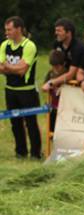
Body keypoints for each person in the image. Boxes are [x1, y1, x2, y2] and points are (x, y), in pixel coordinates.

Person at [0, 16, 42, 159]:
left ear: (19, 29)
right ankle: (20, 152)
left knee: (31, 123)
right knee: (14, 122)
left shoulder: (29, 46)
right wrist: (13, 68)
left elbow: (23, 69)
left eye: (9, 29)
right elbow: (1, 67)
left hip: (27, 90)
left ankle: (36, 153)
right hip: (10, 90)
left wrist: (8, 67)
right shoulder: (4, 45)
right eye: (6, 30)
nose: (7, 33)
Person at [48, 18, 84, 88]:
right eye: (56, 30)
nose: (56, 33)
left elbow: (71, 74)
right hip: (62, 80)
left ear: (68, 33)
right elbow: (54, 65)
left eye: (59, 31)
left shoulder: (78, 47)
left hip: (77, 83)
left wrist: (52, 83)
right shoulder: (57, 44)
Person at [41, 50, 66, 132]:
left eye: (57, 66)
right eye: (53, 66)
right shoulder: (50, 73)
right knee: (51, 130)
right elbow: (44, 87)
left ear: (63, 64)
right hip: (54, 107)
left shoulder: (67, 74)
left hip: (66, 108)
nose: (55, 69)